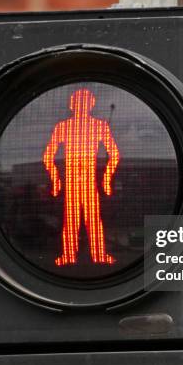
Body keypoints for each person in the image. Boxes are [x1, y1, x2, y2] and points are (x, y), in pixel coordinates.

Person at [43, 88, 120, 266]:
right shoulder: (62, 127)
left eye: (84, 102)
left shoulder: (100, 125)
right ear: (72, 105)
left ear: (91, 105)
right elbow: (48, 156)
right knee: (72, 221)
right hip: (72, 184)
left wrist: (106, 180)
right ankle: (70, 256)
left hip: (89, 183)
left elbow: (114, 154)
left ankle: (98, 256)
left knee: (92, 221)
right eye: (79, 101)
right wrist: (56, 180)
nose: (81, 105)